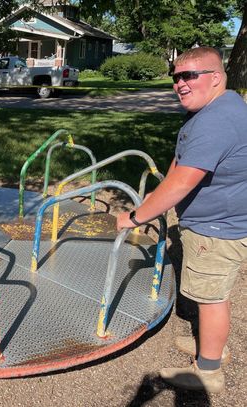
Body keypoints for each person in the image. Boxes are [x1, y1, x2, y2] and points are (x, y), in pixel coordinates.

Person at [116, 47, 247, 393]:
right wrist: (155, 197)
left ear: (216, 77)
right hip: (216, 223)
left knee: (211, 297)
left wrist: (134, 216)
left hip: (217, 229)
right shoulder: (217, 108)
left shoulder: (217, 120)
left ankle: (209, 370)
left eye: (190, 75)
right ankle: (211, 346)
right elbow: (181, 160)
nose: (180, 83)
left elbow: (184, 180)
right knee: (210, 294)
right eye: (176, 76)